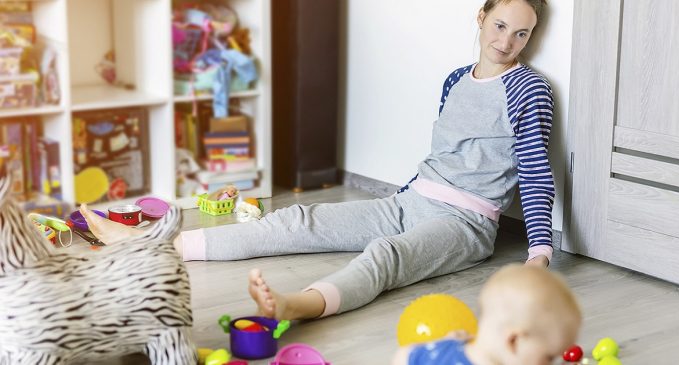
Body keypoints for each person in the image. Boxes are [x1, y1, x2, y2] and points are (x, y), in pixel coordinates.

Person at [81, 0, 554, 322]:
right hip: (410, 202)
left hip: (465, 223)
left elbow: (535, 172)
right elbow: (442, 155)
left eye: (521, 34)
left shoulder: (527, 88)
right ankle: (157, 243)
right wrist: (406, 195)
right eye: (500, 25)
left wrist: (539, 253)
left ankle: (298, 306)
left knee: (387, 256)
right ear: (481, 17)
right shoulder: (455, 79)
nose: (507, 41)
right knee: (298, 219)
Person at [391, 264, 582, 365]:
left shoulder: (438, 350)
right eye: (548, 358)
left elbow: (404, 355)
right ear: (513, 341)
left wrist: (445, 344)